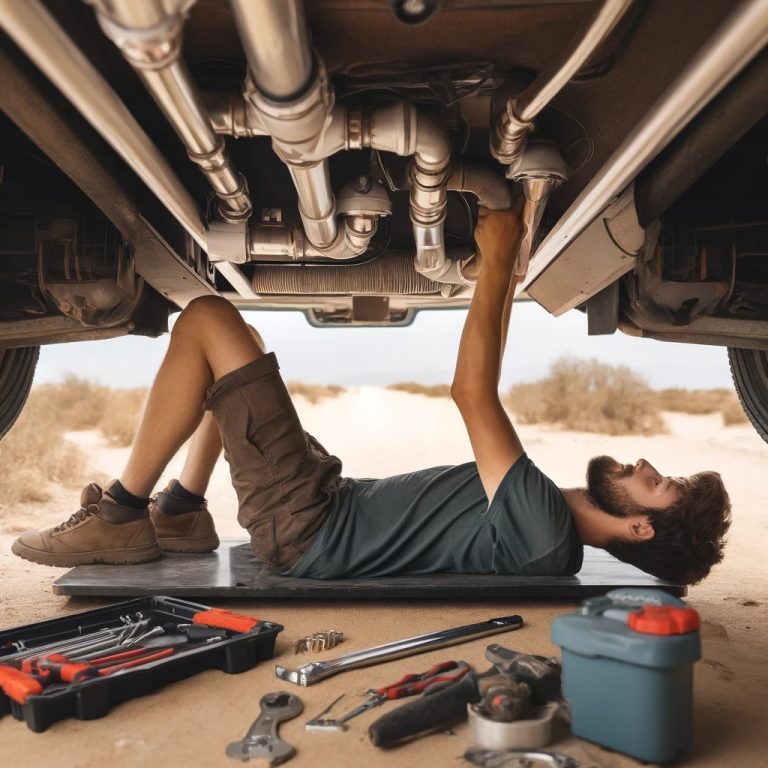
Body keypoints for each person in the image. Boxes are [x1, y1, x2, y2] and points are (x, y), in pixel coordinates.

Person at [11, 205, 731, 585]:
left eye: (656, 484)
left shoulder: (545, 526)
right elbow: (486, 384)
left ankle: (122, 514)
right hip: (331, 504)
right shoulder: (547, 527)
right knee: (244, 366)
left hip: (309, 528)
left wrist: (503, 252)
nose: (643, 466)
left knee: (208, 321)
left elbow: (471, 392)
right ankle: (180, 514)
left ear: (639, 528)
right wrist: (498, 278)